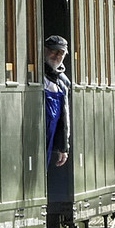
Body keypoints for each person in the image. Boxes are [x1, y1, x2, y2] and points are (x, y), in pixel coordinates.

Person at [44, 35, 72, 168]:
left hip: (51, 136)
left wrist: (63, 147)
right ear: (44, 50)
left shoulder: (64, 82)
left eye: (60, 53)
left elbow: (64, 116)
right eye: (53, 51)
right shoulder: (36, 75)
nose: (56, 56)